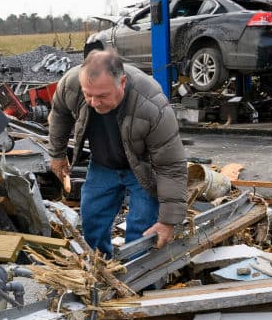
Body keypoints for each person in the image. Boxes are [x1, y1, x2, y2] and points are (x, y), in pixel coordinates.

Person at [47, 49, 186, 256]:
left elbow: (171, 167)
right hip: (103, 164)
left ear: (121, 82)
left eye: (102, 96)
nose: (94, 103)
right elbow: (59, 114)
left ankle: (138, 279)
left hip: (143, 168)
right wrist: (57, 154)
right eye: (88, 95)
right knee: (92, 220)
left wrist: (168, 221)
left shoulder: (151, 105)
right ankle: (100, 267)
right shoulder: (71, 84)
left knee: (141, 230)